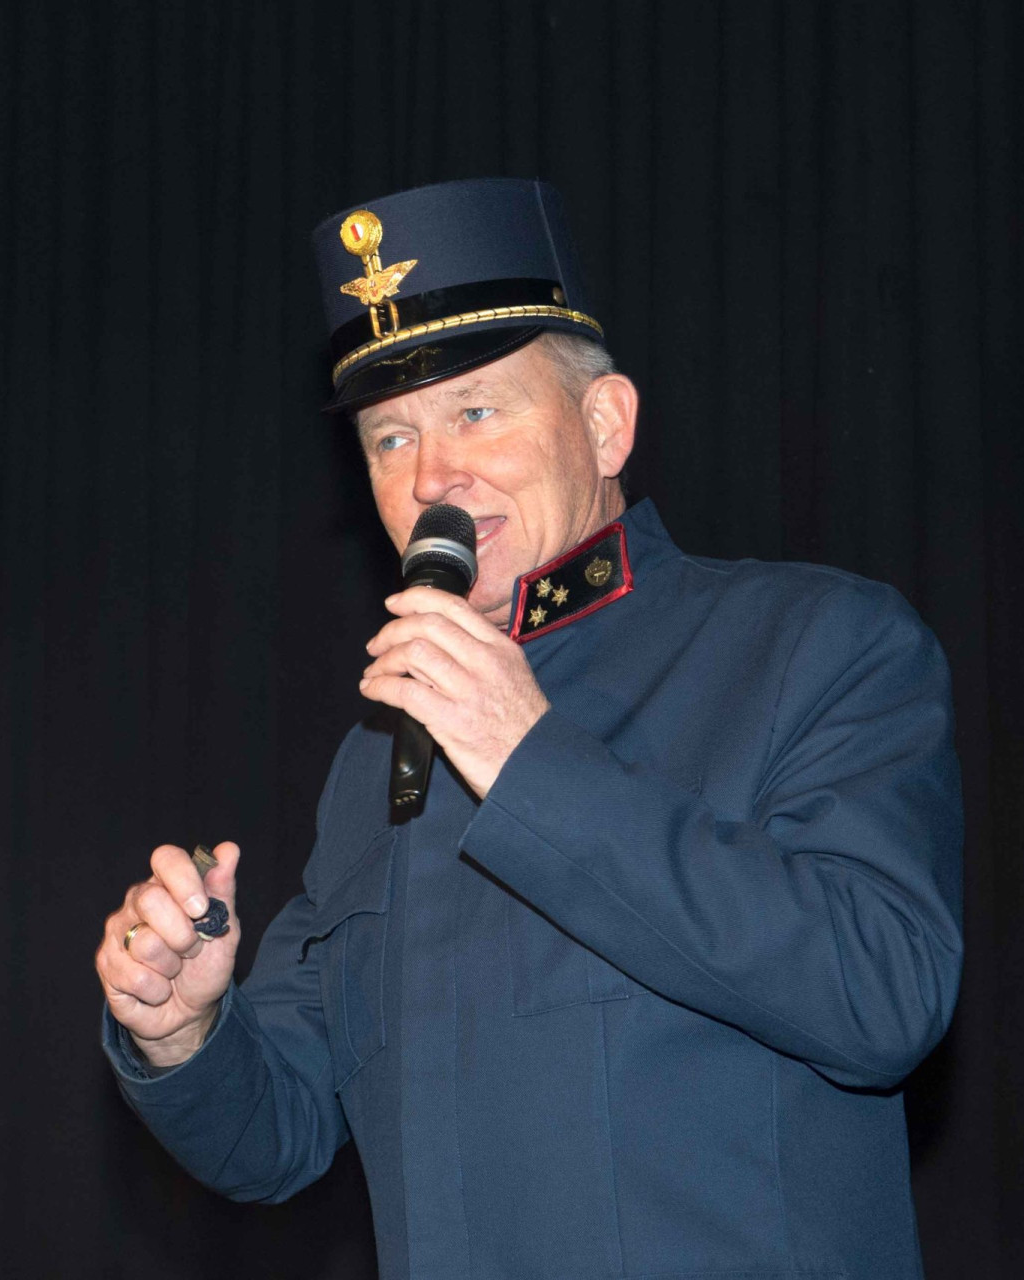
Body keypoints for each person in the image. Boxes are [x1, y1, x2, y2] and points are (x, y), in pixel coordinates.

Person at [94, 178, 963, 1279]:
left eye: (477, 412)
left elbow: (884, 995)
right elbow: (277, 1138)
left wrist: (528, 760)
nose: (431, 475)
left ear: (605, 424)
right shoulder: (378, 755)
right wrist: (181, 1032)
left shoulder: (811, 643)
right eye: (389, 436)